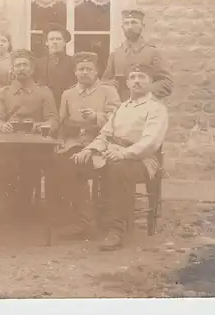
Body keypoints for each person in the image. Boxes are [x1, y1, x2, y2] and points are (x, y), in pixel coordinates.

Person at [72, 63, 169, 251]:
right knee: (77, 164)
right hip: (114, 153)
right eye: (132, 77)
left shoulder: (156, 108)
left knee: (119, 169)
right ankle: (86, 223)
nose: (137, 81)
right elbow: (105, 135)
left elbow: (150, 143)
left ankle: (116, 231)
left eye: (141, 77)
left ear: (150, 82)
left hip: (142, 160)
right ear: (127, 82)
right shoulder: (123, 107)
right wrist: (89, 150)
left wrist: (122, 153)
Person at [47, 52, 120, 239]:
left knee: (76, 166)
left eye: (89, 69)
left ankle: (86, 221)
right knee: (57, 165)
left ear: (96, 72)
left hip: (101, 144)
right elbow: (62, 122)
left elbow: (119, 120)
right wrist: (60, 140)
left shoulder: (108, 91)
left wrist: (97, 116)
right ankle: (69, 218)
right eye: (80, 69)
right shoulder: (68, 94)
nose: (84, 72)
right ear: (75, 72)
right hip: (73, 143)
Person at [0, 49, 59, 209]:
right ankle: (7, 205)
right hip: (9, 143)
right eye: (17, 65)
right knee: (3, 166)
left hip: (35, 144)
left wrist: (39, 126)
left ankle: (25, 205)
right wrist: (2, 126)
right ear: (12, 69)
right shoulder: (3, 93)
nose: (21, 68)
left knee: (31, 165)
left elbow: (54, 120)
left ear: (32, 69)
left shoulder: (43, 92)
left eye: (25, 65)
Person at [102, 9, 173, 101]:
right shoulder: (115, 54)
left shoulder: (153, 53)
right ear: (122, 27)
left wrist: (145, 90)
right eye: (126, 23)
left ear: (142, 26)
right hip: (121, 106)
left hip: (146, 106)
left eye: (134, 22)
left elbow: (166, 83)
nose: (130, 27)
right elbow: (104, 82)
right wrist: (111, 85)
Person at [33, 23, 76, 110]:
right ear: (46, 42)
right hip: (43, 107)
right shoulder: (37, 63)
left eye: (58, 39)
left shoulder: (73, 62)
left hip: (67, 106)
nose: (55, 42)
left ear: (64, 43)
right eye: (52, 39)